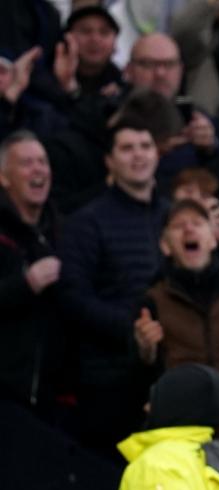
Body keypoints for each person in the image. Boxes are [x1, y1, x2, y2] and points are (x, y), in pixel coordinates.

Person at [58, 118, 170, 459]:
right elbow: (72, 297)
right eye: (127, 148)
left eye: (145, 146)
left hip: (168, 372)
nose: (138, 155)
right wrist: (131, 328)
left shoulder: (174, 217)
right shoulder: (86, 222)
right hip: (108, 381)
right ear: (109, 161)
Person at [133, 199, 219, 454]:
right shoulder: (151, 301)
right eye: (178, 225)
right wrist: (146, 354)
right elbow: (137, 385)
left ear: (213, 239)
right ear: (165, 245)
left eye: (197, 223)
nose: (189, 229)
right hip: (182, 444)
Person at [0, 131, 63, 415]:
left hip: (58, 394)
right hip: (8, 394)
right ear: (4, 178)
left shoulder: (63, 230)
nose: (38, 169)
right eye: (26, 163)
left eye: (42, 161)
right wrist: (25, 285)